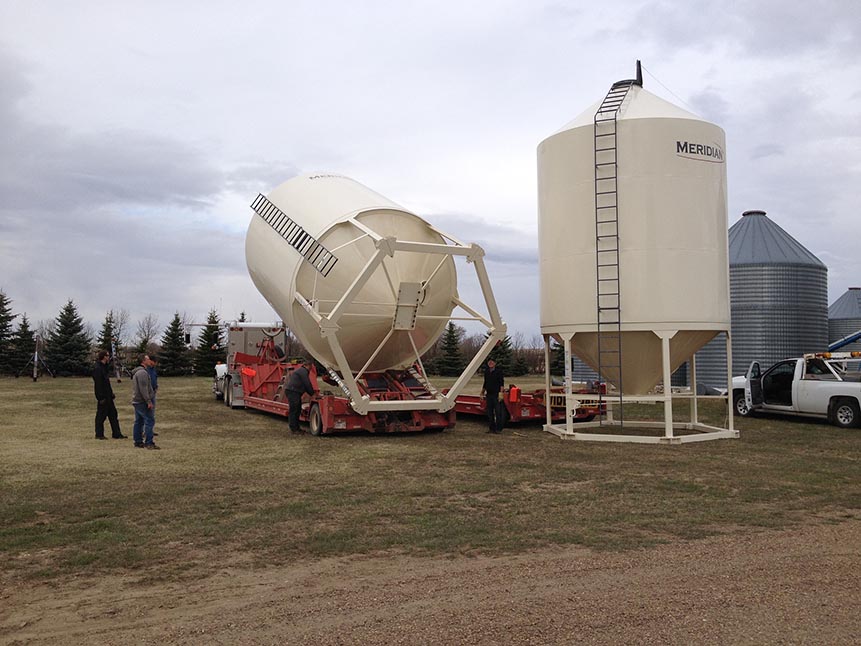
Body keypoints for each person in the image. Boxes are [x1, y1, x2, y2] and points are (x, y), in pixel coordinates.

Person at [92, 350, 125, 440]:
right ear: (104, 356)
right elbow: (98, 385)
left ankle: (116, 433)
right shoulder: (98, 368)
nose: (108, 357)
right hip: (103, 397)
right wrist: (100, 397)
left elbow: (107, 383)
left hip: (109, 396)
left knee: (113, 415)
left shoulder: (104, 367)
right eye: (107, 355)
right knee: (101, 416)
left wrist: (111, 394)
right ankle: (99, 434)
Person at [131, 354, 158, 449]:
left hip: (137, 401)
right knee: (149, 420)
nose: (149, 360)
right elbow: (143, 389)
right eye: (147, 359)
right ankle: (149, 442)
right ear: (143, 361)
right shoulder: (142, 373)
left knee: (139, 421)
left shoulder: (139, 372)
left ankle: (138, 441)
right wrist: (148, 401)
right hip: (142, 401)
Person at [285, 358, 316, 434]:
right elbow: (307, 384)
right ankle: (294, 429)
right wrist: (313, 394)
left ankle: (296, 428)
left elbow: (305, 385)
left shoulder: (301, 371)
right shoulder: (303, 372)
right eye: (311, 366)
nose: (311, 368)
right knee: (294, 410)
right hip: (293, 392)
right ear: (307, 365)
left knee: (297, 409)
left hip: (293, 391)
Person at [480, 358, 505, 434]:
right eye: (489, 362)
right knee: (489, 412)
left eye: (492, 362)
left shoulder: (499, 371)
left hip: (496, 394)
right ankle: (491, 428)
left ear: (495, 363)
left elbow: (501, 383)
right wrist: (482, 392)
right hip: (489, 394)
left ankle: (498, 429)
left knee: (498, 412)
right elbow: (485, 383)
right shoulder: (487, 372)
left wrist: (501, 393)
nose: (490, 363)